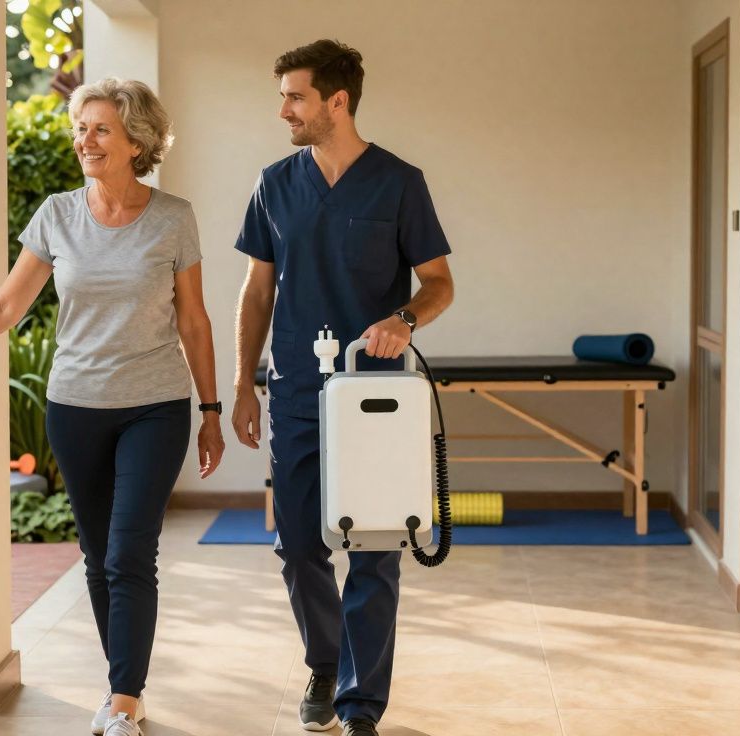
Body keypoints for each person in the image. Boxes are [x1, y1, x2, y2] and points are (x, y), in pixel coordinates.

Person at [0, 77, 224, 736]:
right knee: (98, 556)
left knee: (129, 553)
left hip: (155, 405)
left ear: (137, 141)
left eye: (100, 129)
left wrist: (210, 411)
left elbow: (194, 320)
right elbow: (6, 305)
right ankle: (124, 683)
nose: (84, 141)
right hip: (76, 406)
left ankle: (123, 699)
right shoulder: (57, 215)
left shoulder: (173, 217)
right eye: (80, 129)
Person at [230, 40, 456, 736]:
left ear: (338, 101)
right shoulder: (274, 183)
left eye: (295, 97)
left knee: (375, 549)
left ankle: (360, 704)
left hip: (375, 397)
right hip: (297, 389)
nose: (283, 111)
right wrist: (242, 382)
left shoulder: (400, 182)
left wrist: (404, 319)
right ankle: (325, 664)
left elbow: (439, 283)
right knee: (299, 545)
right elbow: (257, 291)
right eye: (282, 98)